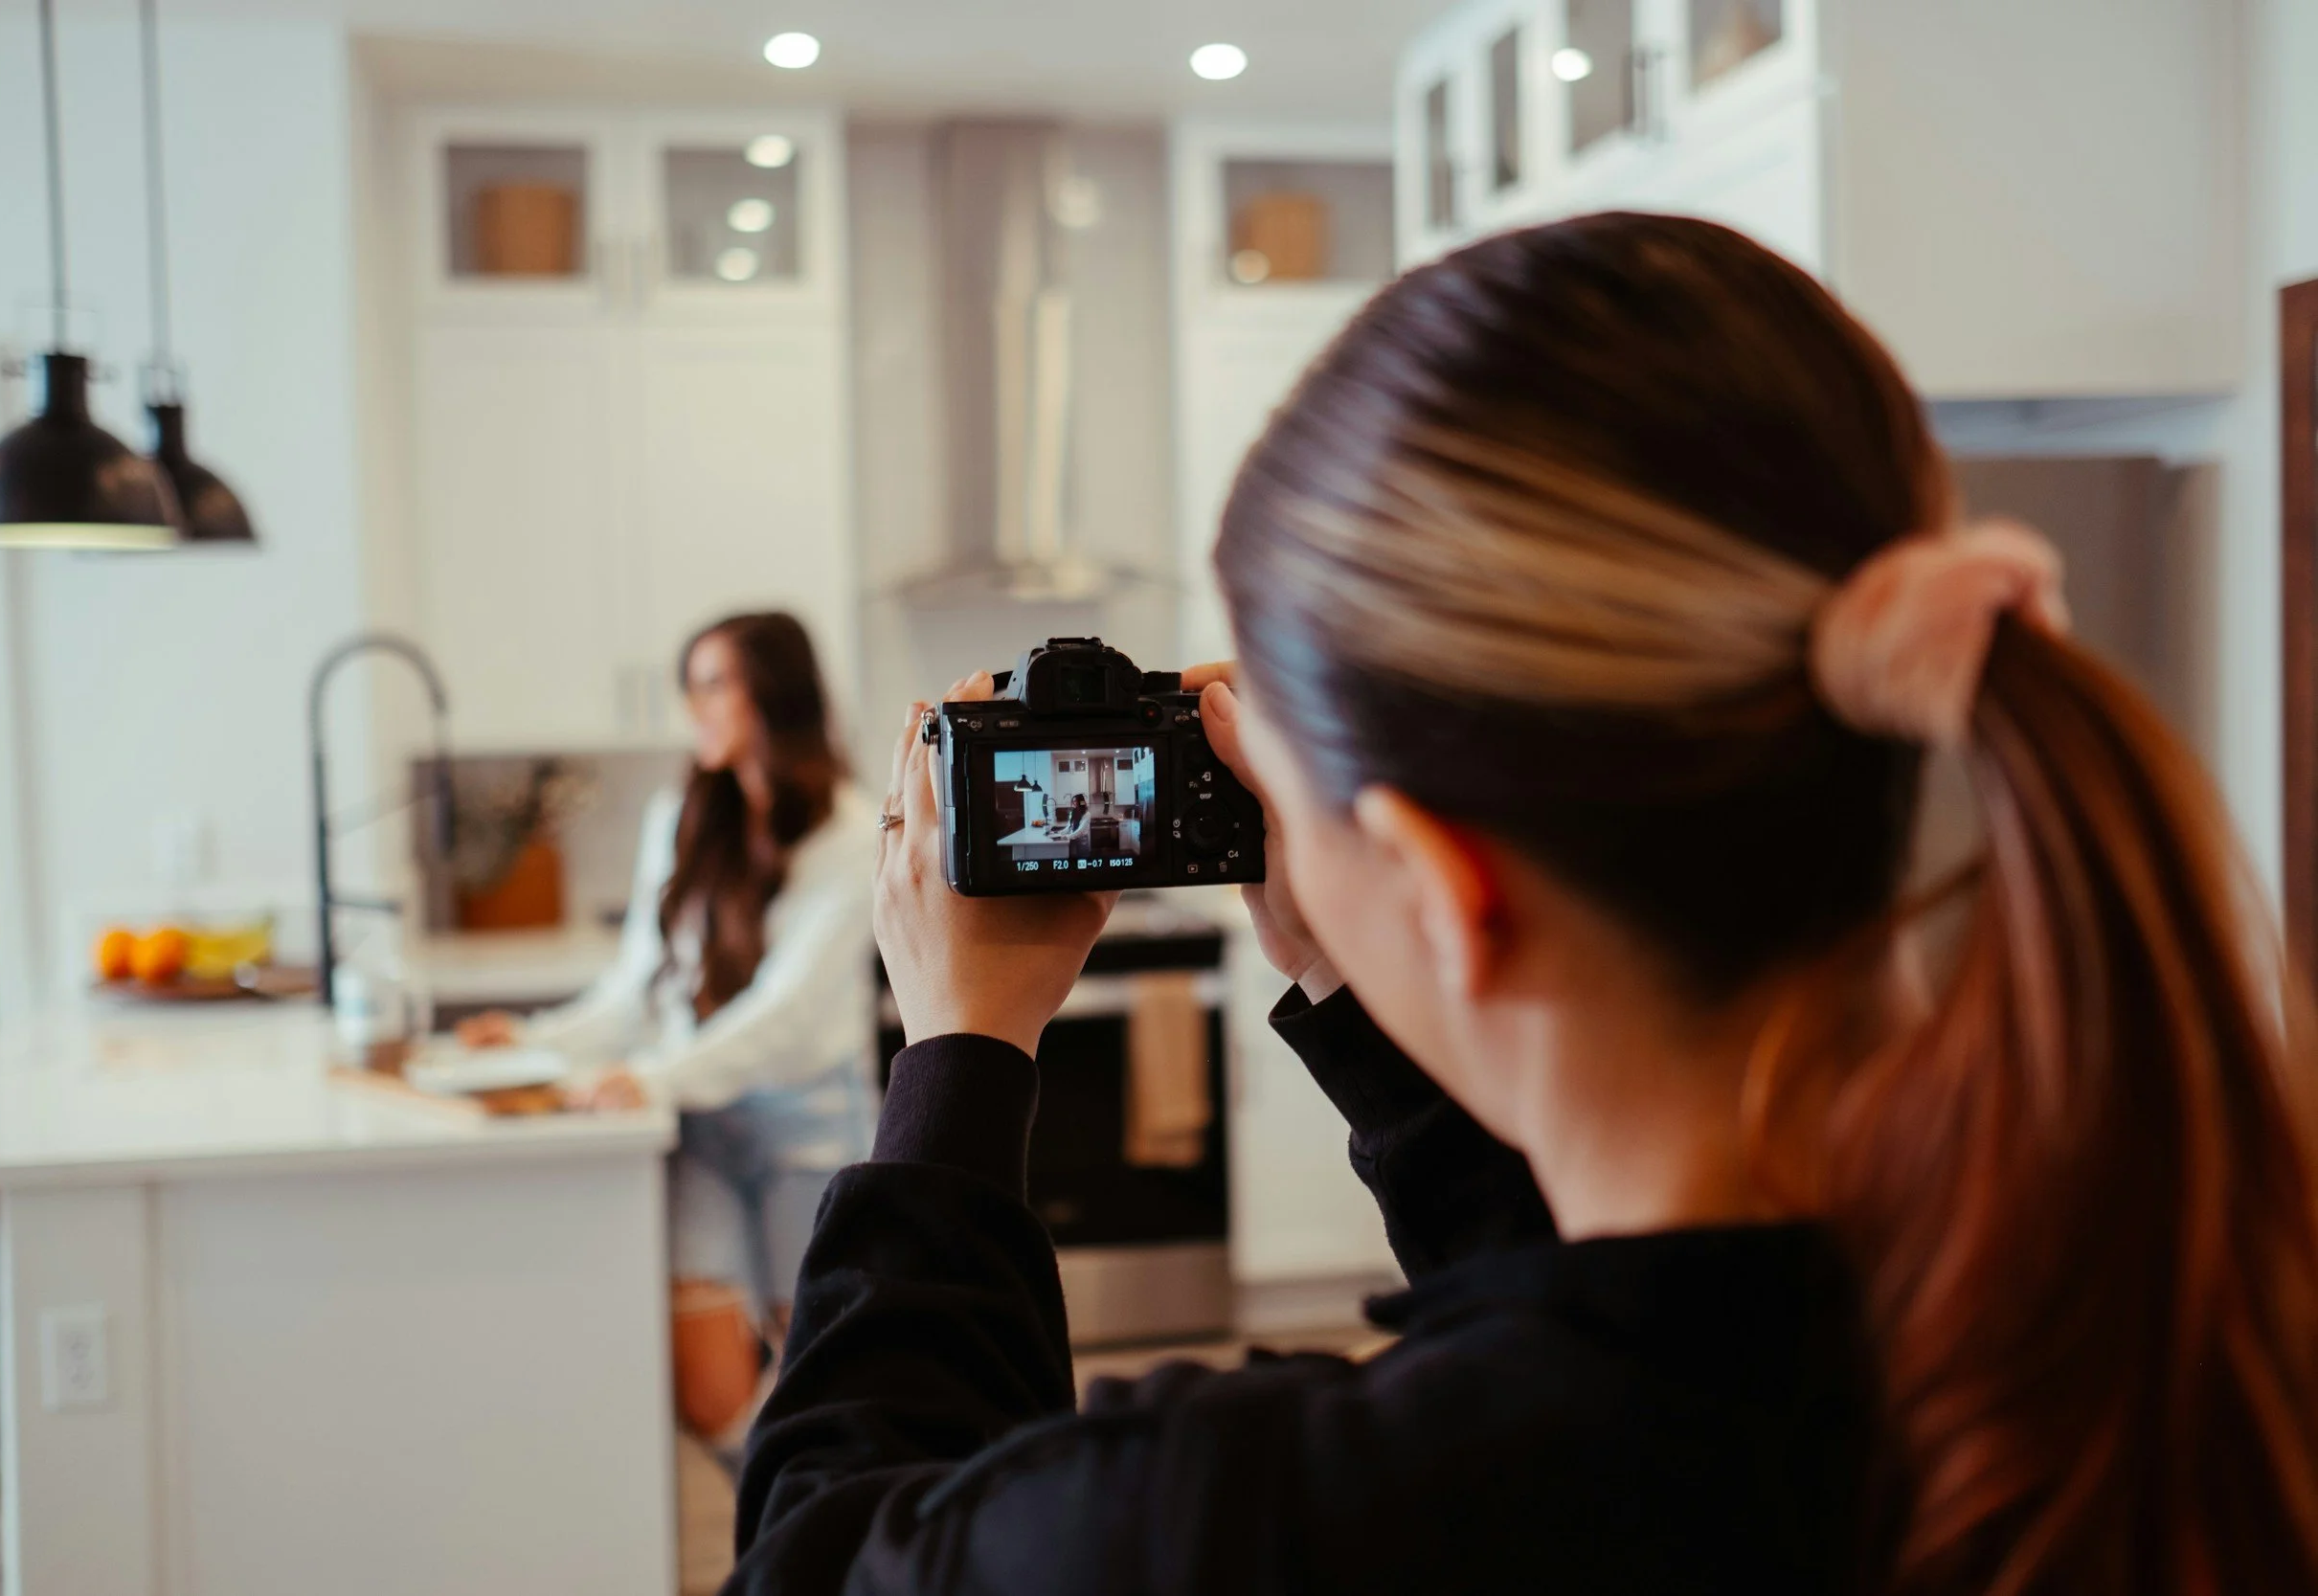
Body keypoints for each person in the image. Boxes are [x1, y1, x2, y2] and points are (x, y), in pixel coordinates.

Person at [725, 216, 2318, 1594]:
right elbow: (1613, 1317)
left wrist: (958, 1048)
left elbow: (816, 1552)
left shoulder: (1242, 1521)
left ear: (1438, 880)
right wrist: (1366, 971)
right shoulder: (2156, 1342)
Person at [457, 611, 873, 1438]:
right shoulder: (680, 817)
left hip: (812, 1135)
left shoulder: (855, 832)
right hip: (703, 1129)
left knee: (825, 1385)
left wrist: (649, 1076)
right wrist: (536, 1040)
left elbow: (785, 1018)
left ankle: (826, 1548)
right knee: (711, 1393)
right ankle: (788, 1535)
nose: (695, 707)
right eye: (691, 686)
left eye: (715, 684)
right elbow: (636, 989)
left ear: (776, 695)